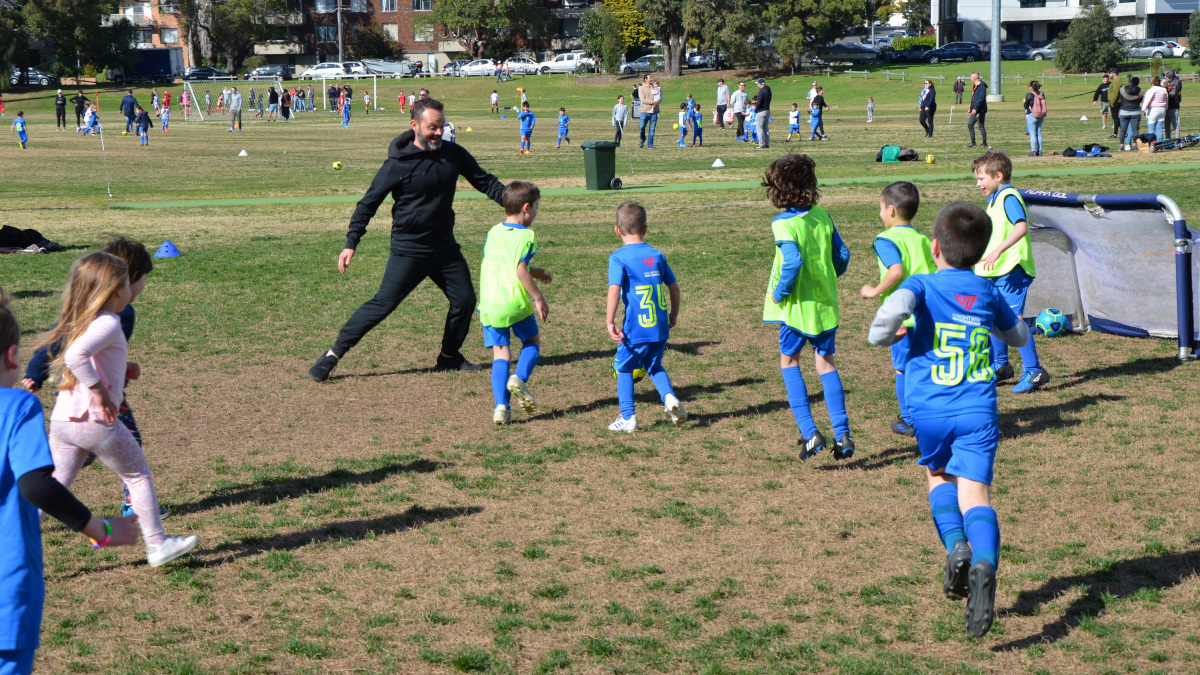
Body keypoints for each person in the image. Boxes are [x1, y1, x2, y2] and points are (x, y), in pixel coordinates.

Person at [867, 200, 1030, 639]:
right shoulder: (988, 291)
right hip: (977, 409)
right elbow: (1018, 335)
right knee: (976, 493)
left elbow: (880, 328)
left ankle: (955, 544)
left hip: (929, 411)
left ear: (934, 246)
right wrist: (989, 322)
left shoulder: (920, 285)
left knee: (938, 477)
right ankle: (984, 564)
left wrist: (894, 333)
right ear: (980, 252)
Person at [308, 98, 507, 381]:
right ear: (414, 125)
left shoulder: (454, 154)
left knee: (464, 300)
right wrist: (351, 242)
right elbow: (368, 204)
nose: (438, 133)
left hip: (444, 247)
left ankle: (449, 357)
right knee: (383, 304)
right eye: (432, 128)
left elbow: (485, 182)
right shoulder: (397, 165)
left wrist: (513, 202)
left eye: (441, 127)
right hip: (409, 249)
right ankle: (331, 356)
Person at [0, 286, 141, 675]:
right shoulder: (16, 406)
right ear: (13, 357)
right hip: (6, 591)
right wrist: (102, 529)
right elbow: (37, 486)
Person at [35, 252, 200, 567]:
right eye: (126, 283)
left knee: (56, 483)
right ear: (114, 291)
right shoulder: (110, 322)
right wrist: (99, 391)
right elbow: (76, 358)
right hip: (94, 421)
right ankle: (157, 545)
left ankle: (13, 530)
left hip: (63, 421)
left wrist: (122, 370)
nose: (133, 289)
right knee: (138, 475)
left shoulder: (82, 319)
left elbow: (89, 359)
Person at [24, 237, 168, 519]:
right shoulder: (121, 313)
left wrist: (34, 376)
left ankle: (28, 514)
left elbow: (69, 346)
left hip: (71, 401)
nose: (142, 287)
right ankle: (138, 510)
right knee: (128, 452)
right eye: (142, 279)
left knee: (70, 461)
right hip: (99, 401)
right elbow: (74, 351)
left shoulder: (81, 310)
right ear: (128, 278)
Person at [762, 153, 853, 460]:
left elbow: (792, 263)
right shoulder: (823, 215)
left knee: (789, 362)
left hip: (797, 308)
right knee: (826, 364)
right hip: (826, 305)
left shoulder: (783, 224)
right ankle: (843, 435)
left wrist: (779, 292)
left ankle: (809, 432)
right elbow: (842, 255)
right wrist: (828, 277)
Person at [860, 181, 935, 437]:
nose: (880, 214)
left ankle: (910, 420)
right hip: (926, 314)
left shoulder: (885, 240)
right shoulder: (923, 239)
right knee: (925, 364)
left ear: (891, 210)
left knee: (903, 367)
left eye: (880, 208)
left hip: (902, 317)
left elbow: (897, 271)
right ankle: (931, 413)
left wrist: (874, 291)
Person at [972, 150, 1049, 392]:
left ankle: (1035, 371)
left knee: (1014, 322)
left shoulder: (1009, 197)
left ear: (998, 175)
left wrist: (998, 252)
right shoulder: (995, 199)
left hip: (1012, 270)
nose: (978, 184)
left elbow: (1022, 227)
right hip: (996, 271)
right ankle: (1001, 366)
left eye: (981, 179)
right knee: (995, 319)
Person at [606, 201, 685, 432]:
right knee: (654, 364)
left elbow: (613, 290)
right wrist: (674, 314)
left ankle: (628, 418)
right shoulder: (657, 255)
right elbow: (675, 288)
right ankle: (669, 398)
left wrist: (610, 321)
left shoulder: (618, 257)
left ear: (617, 230)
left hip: (635, 328)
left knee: (622, 368)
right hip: (659, 326)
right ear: (645, 229)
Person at [479, 181, 551, 425]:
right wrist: (538, 297)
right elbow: (519, 269)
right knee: (531, 342)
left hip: (489, 304)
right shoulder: (527, 235)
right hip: (514, 303)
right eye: (537, 207)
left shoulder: (493, 232)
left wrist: (537, 271)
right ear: (526, 208)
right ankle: (519, 377)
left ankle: (501, 407)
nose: (537, 213)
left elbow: (503, 262)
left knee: (501, 354)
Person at [1117, 76, 1143, 151]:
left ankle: (1122, 146)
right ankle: (1135, 145)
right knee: (1135, 130)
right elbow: (1140, 100)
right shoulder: (1140, 91)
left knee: (1123, 130)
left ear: (1130, 82)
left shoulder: (1122, 89)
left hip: (1124, 111)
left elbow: (1120, 97)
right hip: (1136, 112)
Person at [1142, 75, 1168, 142]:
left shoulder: (1151, 90)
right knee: (1159, 128)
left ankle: (1152, 143)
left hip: (1153, 110)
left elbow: (1147, 100)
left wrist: (1143, 109)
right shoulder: (1163, 89)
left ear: (1152, 83)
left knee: (1151, 128)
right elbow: (1166, 100)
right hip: (1162, 109)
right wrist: (1166, 108)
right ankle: (1160, 142)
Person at [1024, 80, 1046, 156]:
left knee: (1032, 134)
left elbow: (1025, 106)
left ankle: (1033, 151)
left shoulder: (1029, 95)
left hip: (1032, 115)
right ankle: (1039, 151)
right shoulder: (1042, 94)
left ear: (1032, 87)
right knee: (1039, 133)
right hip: (1041, 115)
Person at [966, 72, 988, 148]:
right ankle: (973, 142)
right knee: (970, 124)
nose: (970, 79)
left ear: (974, 78)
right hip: (975, 109)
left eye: (971, 77)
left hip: (980, 110)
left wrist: (975, 108)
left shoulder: (982, 87)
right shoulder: (975, 86)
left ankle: (984, 143)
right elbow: (974, 99)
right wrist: (971, 108)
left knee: (981, 126)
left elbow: (980, 99)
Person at [637, 75, 658, 149]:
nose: (651, 79)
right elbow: (643, 99)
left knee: (652, 129)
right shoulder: (641, 88)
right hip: (644, 111)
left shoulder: (654, 87)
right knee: (641, 127)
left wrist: (657, 102)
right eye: (650, 78)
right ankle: (642, 139)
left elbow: (658, 96)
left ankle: (650, 145)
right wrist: (652, 102)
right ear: (646, 79)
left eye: (651, 78)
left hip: (654, 111)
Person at [1164, 69, 1182, 140]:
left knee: (1176, 124)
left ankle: (1177, 140)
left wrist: (1166, 92)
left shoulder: (1177, 82)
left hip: (1174, 105)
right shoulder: (1166, 83)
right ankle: (1168, 140)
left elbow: (1173, 93)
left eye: (1166, 75)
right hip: (1166, 106)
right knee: (1166, 125)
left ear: (1169, 75)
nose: (1165, 77)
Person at [755, 78, 772, 149]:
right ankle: (767, 143)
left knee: (759, 128)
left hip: (761, 111)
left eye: (757, 84)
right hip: (767, 110)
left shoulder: (761, 92)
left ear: (760, 84)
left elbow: (759, 102)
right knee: (765, 128)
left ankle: (761, 144)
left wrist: (756, 109)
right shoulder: (769, 91)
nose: (757, 85)